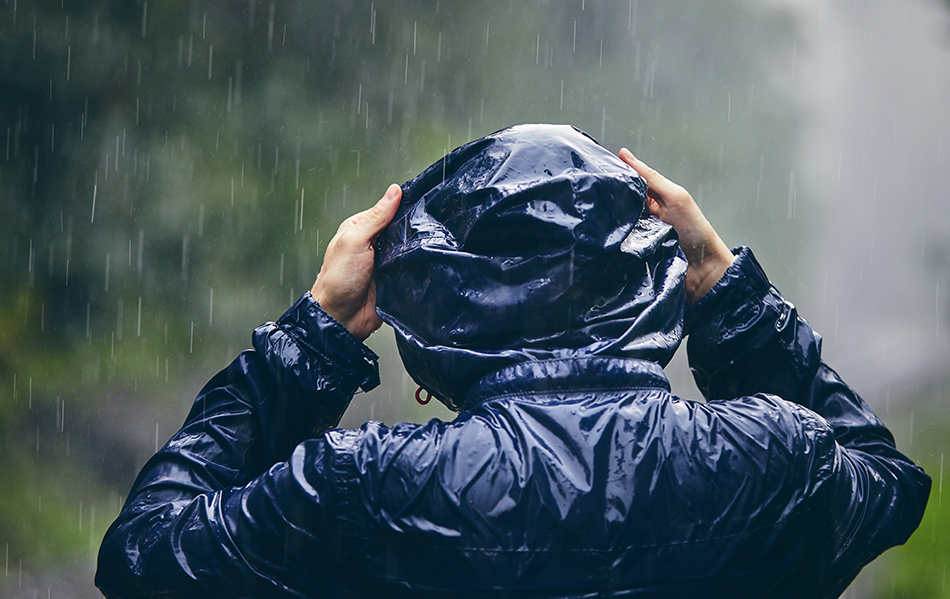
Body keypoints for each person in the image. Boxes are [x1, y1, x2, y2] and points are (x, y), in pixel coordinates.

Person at [95, 124, 930, 598]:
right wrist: (726, 292)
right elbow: (890, 485)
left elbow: (141, 560)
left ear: (434, 312)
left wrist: (317, 330)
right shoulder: (774, 462)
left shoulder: (366, 486)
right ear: (655, 280)